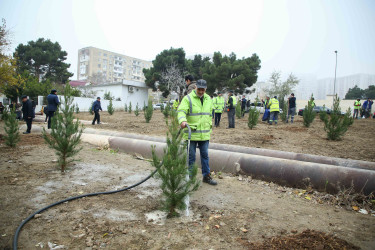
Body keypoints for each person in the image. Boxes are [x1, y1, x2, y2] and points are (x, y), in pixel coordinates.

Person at [177, 79, 217, 185]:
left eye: (203, 90)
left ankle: (206, 176)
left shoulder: (208, 99)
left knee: (205, 155)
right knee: (191, 156)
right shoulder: (188, 98)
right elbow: (181, 111)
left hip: (204, 134)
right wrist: (182, 120)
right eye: (199, 89)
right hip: (192, 133)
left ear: (206, 89)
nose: (201, 91)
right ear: (195, 87)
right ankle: (190, 177)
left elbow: (208, 115)